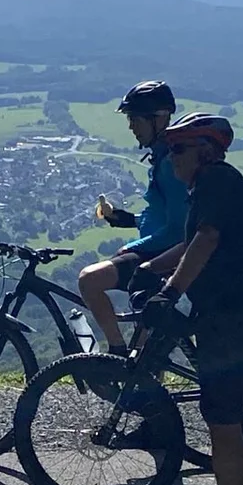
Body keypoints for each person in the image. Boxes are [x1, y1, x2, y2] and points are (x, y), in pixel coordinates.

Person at [141, 112, 243, 485]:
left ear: (206, 151)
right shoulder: (215, 186)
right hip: (230, 316)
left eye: (179, 148)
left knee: (224, 422)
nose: (171, 156)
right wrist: (150, 268)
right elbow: (193, 240)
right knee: (223, 417)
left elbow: (208, 239)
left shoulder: (215, 182)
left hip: (230, 320)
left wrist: (172, 291)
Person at [78, 80, 186, 353]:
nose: (130, 127)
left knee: (89, 280)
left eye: (135, 119)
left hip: (167, 253)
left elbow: (177, 230)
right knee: (148, 348)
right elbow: (162, 217)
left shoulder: (172, 165)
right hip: (166, 249)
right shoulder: (165, 157)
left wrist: (131, 247)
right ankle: (143, 374)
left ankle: (117, 352)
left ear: (158, 119)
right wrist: (127, 219)